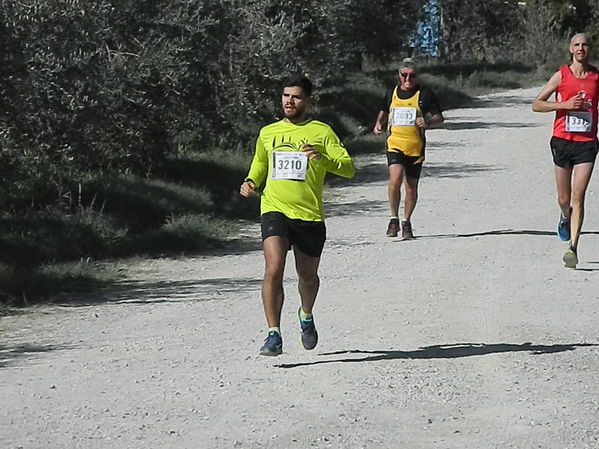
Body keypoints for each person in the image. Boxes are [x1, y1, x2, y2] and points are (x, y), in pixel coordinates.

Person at [240, 76, 355, 356]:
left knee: (307, 276)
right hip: (274, 208)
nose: (289, 101)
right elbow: (260, 164)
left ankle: (306, 315)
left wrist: (323, 159)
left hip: (309, 214)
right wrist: (251, 181)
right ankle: (273, 334)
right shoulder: (268, 132)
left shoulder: (321, 131)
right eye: (285, 96)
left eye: (296, 97)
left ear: (309, 102)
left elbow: (349, 168)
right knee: (273, 267)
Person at [532, 32, 599, 268]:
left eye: (585, 44)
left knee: (578, 196)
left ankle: (573, 248)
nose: (581, 48)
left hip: (587, 143)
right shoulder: (561, 75)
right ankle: (564, 215)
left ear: (590, 49)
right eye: (577, 45)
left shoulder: (596, 77)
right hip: (562, 141)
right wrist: (564, 105)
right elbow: (536, 104)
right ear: (570, 49)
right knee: (565, 198)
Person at [374, 61, 444, 239]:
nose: (408, 79)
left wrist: (428, 123)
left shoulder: (424, 94)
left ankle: (406, 222)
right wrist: (378, 124)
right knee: (395, 179)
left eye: (412, 75)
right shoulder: (392, 93)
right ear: (399, 75)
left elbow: (439, 117)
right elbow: (384, 109)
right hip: (395, 143)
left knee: (410, 188)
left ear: (417, 76)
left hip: (415, 147)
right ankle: (393, 218)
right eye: (404, 75)